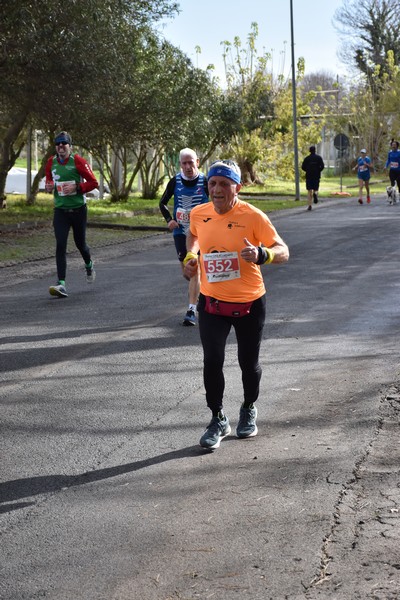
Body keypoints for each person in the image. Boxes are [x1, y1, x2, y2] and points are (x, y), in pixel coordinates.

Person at [183, 160, 289, 450]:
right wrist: (190, 257)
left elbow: (284, 251)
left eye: (224, 184)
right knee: (212, 360)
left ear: (237, 188)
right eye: (212, 184)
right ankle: (217, 418)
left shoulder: (253, 216)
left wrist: (261, 254)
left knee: (248, 363)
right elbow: (192, 235)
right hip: (212, 302)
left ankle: (248, 408)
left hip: (249, 302)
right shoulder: (199, 213)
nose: (216, 190)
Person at [45, 131, 98, 298]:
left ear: (69, 146)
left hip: (78, 210)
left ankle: (89, 264)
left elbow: (93, 183)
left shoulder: (78, 161)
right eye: (58, 143)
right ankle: (61, 284)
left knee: (80, 244)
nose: (60, 146)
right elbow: (49, 181)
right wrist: (49, 187)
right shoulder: (50, 162)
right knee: (60, 244)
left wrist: (77, 187)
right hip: (60, 211)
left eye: (64, 143)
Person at [159, 148, 209, 326]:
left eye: (191, 162)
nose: (188, 166)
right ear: (180, 164)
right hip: (181, 232)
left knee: (194, 268)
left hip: (200, 232)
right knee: (187, 273)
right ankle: (200, 289)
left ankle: (191, 310)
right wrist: (169, 220)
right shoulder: (175, 181)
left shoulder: (205, 181)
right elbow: (162, 203)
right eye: (184, 163)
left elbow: (215, 203)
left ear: (198, 161)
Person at [301, 145, 325, 211]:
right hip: (316, 175)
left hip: (309, 176)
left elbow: (303, 167)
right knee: (315, 188)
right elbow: (322, 166)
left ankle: (309, 205)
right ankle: (315, 194)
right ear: (315, 150)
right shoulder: (319, 158)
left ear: (309, 151)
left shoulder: (307, 158)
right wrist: (318, 170)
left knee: (309, 190)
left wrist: (307, 170)